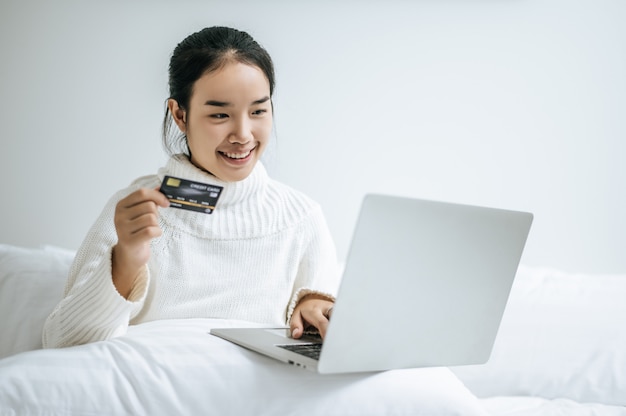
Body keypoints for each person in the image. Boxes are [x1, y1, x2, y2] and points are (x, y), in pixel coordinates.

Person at [42, 26, 339, 348]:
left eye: (258, 111)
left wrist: (313, 308)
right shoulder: (135, 212)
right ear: (180, 115)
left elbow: (327, 336)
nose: (242, 134)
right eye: (220, 114)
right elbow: (62, 343)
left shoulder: (301, 218)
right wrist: (126, 259)